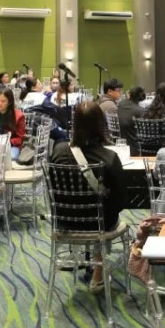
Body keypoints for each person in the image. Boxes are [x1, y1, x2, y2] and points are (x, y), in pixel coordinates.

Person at [49, 101, 128, 291]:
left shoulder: (58, 153)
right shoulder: (109, 158)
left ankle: (94, 267)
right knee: (106, 213)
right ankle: (98, 272)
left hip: (65, 222)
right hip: (99, 224)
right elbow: (120, 201)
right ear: (101, 125)